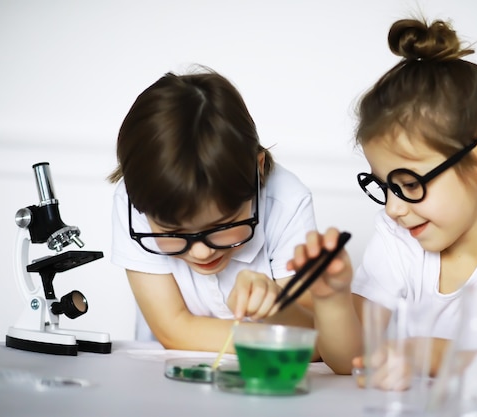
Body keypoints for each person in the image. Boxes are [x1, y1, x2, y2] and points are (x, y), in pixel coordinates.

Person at [290, 17, 477, 377]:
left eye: (409, 184)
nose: (394, 208)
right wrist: (332, 301)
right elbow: (349, 361)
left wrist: (420, 353)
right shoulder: (401, 233)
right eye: (386, 187)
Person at [108, 67, 321, 354]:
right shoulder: (135, 201)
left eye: (222, 226)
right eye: (173, 232)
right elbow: (172, 331)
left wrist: (278, 309)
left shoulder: (287, 202)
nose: (201, 253)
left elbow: (316, 340)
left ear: (256, 171)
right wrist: (275, 336)